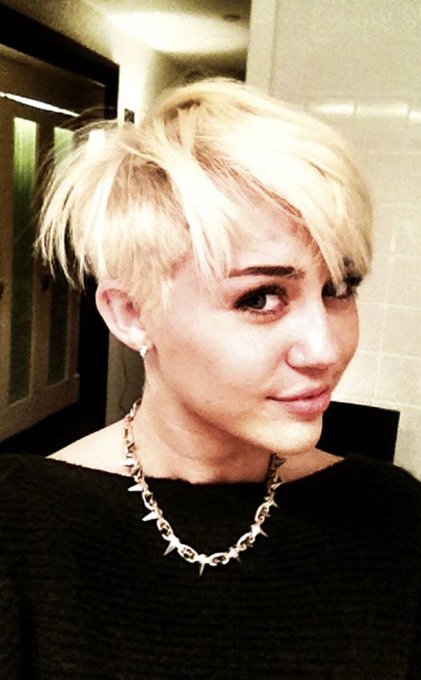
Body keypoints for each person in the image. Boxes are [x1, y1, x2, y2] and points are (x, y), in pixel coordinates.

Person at [0, 78, 420, 679]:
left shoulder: (393, 518)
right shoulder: (19, 530)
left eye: (339, 288)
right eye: (261, 297)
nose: (325, 349)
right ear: (131, 313)